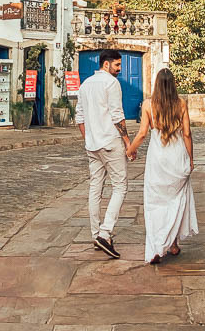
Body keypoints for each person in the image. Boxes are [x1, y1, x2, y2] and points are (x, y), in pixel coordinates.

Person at [126, 68, 198, 264]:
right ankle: (173, 245)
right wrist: (190, 159)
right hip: (177, 157)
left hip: (158, 159)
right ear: (173, 84)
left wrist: (130, 149)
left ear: (157, 84)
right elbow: (187, 134)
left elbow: (142, 133)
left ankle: (157, 246)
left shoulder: (148, 104)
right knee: (176, 201)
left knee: (155, 203)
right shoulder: (181, 104)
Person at [75, 49, 134, 259]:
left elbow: (79, 117)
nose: (119, 69)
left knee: (95, 188)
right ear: (106, 64)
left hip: (92, 145)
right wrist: (128, 143)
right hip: (110, 142)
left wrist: (88, 138)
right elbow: (118, 115)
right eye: (117, 65)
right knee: (120, 186)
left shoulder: (85, 84)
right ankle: (105, 232)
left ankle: (95, 235)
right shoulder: (111, 83)